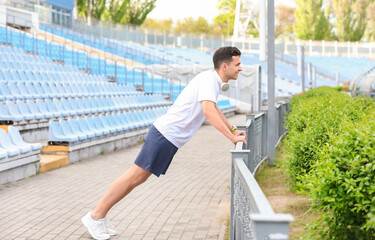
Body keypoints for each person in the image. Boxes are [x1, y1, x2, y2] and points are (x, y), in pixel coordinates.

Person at [81, 46, 247, 240]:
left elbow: (214, 108)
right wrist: (231, 138)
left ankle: (99, 216)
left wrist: (233, 130)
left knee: (137, 179)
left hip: (168, 138)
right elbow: (208, 111)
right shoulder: (209, 79)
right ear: (225, 66)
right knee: (133, 177)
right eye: (238, 65)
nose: (240, 69)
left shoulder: (212, 80)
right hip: (164, 135)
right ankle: (95, 216)